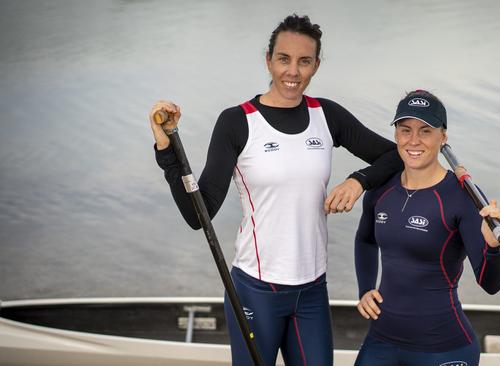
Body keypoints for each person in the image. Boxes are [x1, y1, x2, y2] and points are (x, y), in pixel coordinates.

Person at [148, 14, 402, 366]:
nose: (293, 72)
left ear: (316, 65)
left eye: (304, 61)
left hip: (312, 290)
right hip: (256, 291)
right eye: (284, 59)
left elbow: (396, 155)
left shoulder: (326, 115)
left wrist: (359, 180)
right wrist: (167, 151)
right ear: (268, 59)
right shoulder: (237, 122)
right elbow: (198, 214)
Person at [354, 90, 500, 366]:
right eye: (405, 130)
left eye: (425, 131)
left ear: (443, 137)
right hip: (381, 341)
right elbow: (366, 240)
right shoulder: (381, 189)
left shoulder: (463, 197)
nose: (413, 140)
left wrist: (493, 247)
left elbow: (491, 284)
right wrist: (365, 289)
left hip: (443, 348)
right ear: (396, 135)